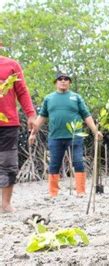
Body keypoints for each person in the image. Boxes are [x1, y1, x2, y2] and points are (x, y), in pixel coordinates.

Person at [29, 73, 102, 197]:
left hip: (75, 135)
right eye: (60, 79)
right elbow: (42, 117)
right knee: (54, 164)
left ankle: (80, 191)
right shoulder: (49, 98)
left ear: (69, 82)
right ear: (56, 82)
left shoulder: (76, 97)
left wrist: (96, 131)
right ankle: (53, 193)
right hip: (55, 137)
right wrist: (33, 134)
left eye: (66, 79)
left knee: (78, 162)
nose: (63, 81)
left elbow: (86, 116)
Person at [0, 51, 36, 213]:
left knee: (8, 163)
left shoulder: (11, 65)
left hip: (8, 123)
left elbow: (22, 91)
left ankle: (6, 204)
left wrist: (31, 114)